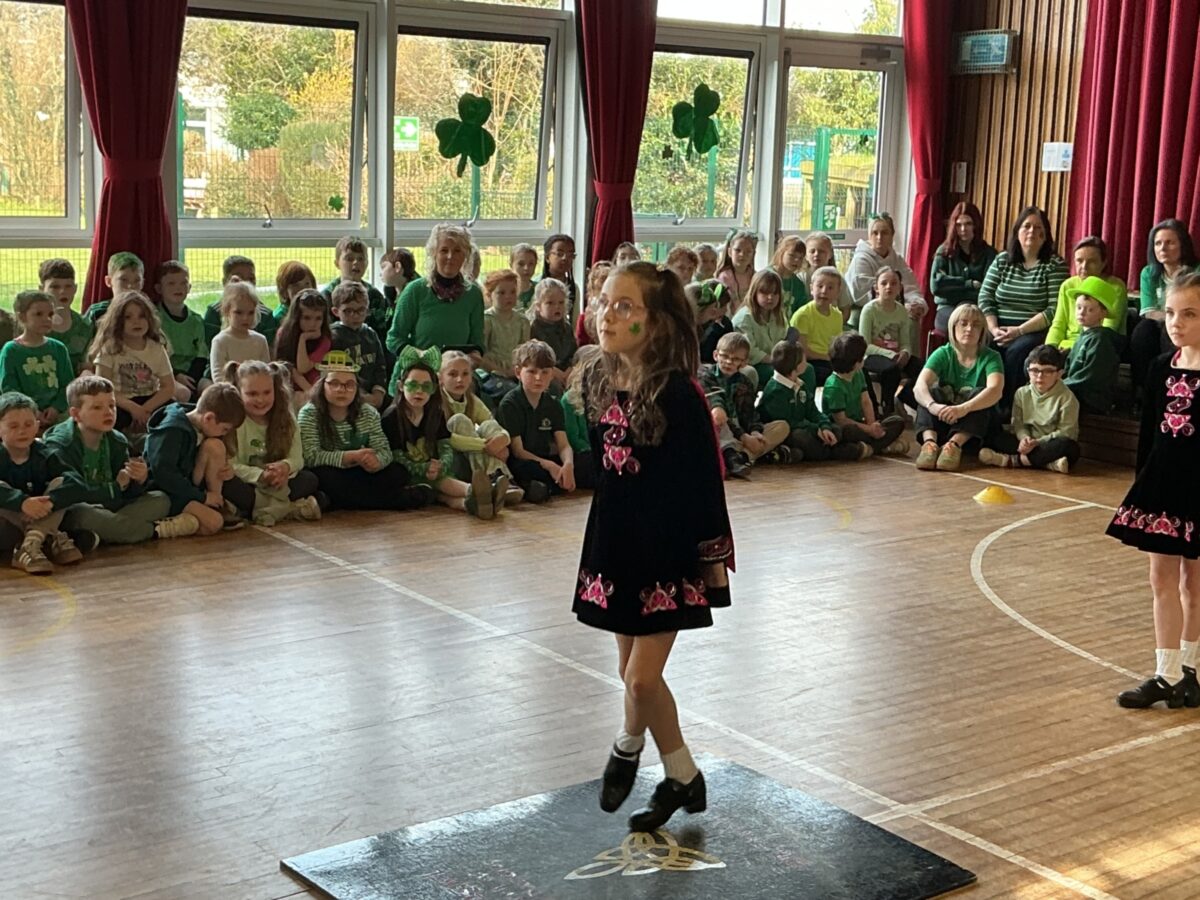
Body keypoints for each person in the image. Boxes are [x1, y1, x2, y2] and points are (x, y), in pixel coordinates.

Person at [574, 260, 733, 833]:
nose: (607, 315)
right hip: (616, 543)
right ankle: (683, 776)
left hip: (666, 550)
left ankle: (626, 745)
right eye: (604, 303)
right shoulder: (596, 380)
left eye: (625, 307)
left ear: (657, 323)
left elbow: (705, 481)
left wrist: (711, 559)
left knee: (641, 681)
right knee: (630, 674)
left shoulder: (680, 396)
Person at [1106, 272, 1200, 709]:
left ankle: (1192, 670)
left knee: (1194, 583)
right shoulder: (1162, 367)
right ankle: (1167, 673)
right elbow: (1149, 434)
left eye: (1189, 314)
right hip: (1162, 485)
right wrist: (1141, 484)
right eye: (1171, 313)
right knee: (1161, 578)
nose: (1176, 323)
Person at [297, 354, 435, 512]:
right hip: (331, 471)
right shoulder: (309, 413)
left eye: (349, 385)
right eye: (334, 384)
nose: (341, 390)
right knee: (321, 478)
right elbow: (311, 456)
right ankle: (399, 499)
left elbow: (385, 451)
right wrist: (350, 456)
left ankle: (339, 501)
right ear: (323, 385)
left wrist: (376, 462)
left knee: (398, 472)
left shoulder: (368, 412)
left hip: (359, 472)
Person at [381, 347, 503, 519]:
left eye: (426, 386)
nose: (419, 391)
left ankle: (475, 504)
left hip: (435, 472)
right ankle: (483, 492)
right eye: (413, 385)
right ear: (401, 386)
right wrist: (423, 468)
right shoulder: (391, 417)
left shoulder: (435, 413)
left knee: (445, 492)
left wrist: (441, 465)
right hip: (408, 475)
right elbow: (394, 456)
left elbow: (445, 445)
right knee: (441, 485)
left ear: (433, 388)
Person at [48, 375, 171, 544]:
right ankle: (154, 531)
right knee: (83, 514)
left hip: (109, 506)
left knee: (160, 499)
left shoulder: (117, 440)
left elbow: (124, 494)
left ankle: (100, 534)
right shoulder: (62, 444)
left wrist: (138, 480)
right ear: (76, 414)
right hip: (77, 507)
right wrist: (115, 487)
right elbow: (71, 493)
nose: (108, 412)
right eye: (97, 407)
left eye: (112, 405)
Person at [977, 206, 1069, 404]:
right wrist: (993, 329)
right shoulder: (1002, 260)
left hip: (1033, 330)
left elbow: (1054, 310)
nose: (1031, 231)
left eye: (1038, 227)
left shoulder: (1054, 265)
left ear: (1045, 234)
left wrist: (1019, 331)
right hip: (997, 327)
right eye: (1026, 226)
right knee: (978, 343)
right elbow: (985, 297)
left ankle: (1007, 405)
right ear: (1017, 231)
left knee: (1016, 352)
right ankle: (976, 401)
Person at [221, 359, 321, 526]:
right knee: (227, 484)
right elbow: (230, 465)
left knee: (309, 480)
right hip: (249, 482)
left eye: (267, 392)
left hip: (279, 482)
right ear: (238, 392)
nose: (261, 400)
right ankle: (288, 509)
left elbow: (297, 458)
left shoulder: (287, 419)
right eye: (252, 394)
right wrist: (260, 476)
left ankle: (254, 509)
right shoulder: (232, 422)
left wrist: (284, 467)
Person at [0, 391, 89, 574]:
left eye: (28, 424)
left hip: (40, 515)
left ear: (37, 425)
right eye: (13, 426)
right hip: (7, 527)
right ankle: (48, 536)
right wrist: (22, 503)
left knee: (61, 482)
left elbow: (77, 483)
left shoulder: (45, 453)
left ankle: (30, 544)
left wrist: (50, 502)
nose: (22, 431)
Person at [144, 382, 246, 539]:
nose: (224, 433)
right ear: (209, 418)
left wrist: (226, 470)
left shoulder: (201, 424)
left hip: (188, 485)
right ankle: (160, 527)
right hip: (167, 491)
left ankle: (215, 506)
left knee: (216, 446)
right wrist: (201, 497)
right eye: (224, 429)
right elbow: (164, 474)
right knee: (214, 523)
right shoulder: (172, 430)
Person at [913, 304, 1004, 472]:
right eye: (963, 323)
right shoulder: (943, 353)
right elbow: (919, 386)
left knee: (981, 394)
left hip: (974, 426)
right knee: (929, 394)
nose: (969, 329)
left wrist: (963, 409)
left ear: (982, 331)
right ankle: (929, 444)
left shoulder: (991, 357)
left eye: (975, 325)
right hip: (946, 417)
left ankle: (954, 445)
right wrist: (933, 406)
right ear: (953, 327)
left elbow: (995, 390)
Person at [89, 291, 184, 432]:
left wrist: (145, 410)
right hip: (120, 402)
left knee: (175, 415)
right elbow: (104, 388)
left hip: (151, 401)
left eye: (142, 316)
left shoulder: (156, 348)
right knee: (106, 417)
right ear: (117, 321)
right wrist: (133, 409)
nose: (136, 322)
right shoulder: (109, 349)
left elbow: (168, 387)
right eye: (128, 317)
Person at [698, 332, 790, 478]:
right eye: (724, 356)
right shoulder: (705, 375)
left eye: (735, 359)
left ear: (745, 362)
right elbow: (717, 405)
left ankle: (741, 457)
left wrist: (754, 432)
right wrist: (743, 437)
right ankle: (735, 456)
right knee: (719, 418)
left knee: (782, 427)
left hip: (740, 434)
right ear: (715, 355)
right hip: (719, 430)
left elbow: (749, 414)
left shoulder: (744, 383)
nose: (728, 362)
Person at [386, 223, 485, 357]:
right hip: (418, 367)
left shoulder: (473, 294)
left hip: (457, 368)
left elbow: (477, 342)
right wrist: (422, 356)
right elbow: (394, 339)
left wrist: (475, 355)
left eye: (457, 251)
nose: (450, 256)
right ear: (434, 253)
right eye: (444, 250)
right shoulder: (415, 291)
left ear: (465, 256)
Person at [758, 340, 866, 463]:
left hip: (805, 426)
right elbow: (789, 422)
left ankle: (831, 449)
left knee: (835, 430)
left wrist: (824, 426)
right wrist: (815, 429)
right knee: (800, 437)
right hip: (789, 431)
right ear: (796, 366)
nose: (807, 363)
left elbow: (813, 411)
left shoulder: (800, 384)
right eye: (804, 360)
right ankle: (838, 452)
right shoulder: (776, 391)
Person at [495, 339, 576, 504]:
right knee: (525, 468)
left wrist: (568, 465)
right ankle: (529, 487)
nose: (539, 378)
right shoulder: (510, 404)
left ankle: (545, 486)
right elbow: (518, 451)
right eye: (532, 372)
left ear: (552, 374)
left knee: (583, 462)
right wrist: (549, 465)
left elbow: (563, 444)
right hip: (523, 461)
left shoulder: (553, 404)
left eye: (545, 372)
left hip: (544, 457)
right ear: (518, 372)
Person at [979, 345, 1079, 473]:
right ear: (1028, 371)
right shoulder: (1022, 393)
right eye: (1034, 370)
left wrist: (1037, 442)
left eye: (1047, 371)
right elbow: (1018, 424)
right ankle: (1048, 464)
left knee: (1067, 446)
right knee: (995, 436)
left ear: (1059, 374)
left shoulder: (1067, 397)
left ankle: (1013, 461)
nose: (1039, 376)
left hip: (1048, 443)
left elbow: (1066, 432)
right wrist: (1024, 439)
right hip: (1027, 442)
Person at [439, 349, 521, 503]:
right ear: (440, 378)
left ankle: (501, 478)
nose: (460, 380)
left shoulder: (472, 400)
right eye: (453, 374)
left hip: (473, 458)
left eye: (465, 374)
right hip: (450, 460)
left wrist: (502, 440)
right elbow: (449, 440)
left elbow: (493, 423)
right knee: (459, 420)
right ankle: (489, 481)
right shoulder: (436, 402)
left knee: (488, 426)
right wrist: (486, 446)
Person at [1130, 219, 1198, 404]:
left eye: (1170, 243)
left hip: (1191, 324)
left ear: (1183, 245)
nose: (1163, 248)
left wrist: (1174, 317)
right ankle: (1142, 391)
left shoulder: (1196, 273)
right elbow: (1148, 311)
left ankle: (1175, 386)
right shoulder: (1149, 273)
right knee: (1143, 331)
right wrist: (1169, 317)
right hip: (1158, 322)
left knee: (1172, 330)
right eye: (1158, 243)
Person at [821, 333, 908, 456]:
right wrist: (869, 430)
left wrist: (872, 426)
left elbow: (866, 401)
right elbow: (841, 420)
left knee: (897, 421)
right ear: (855, 363)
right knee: (849, 432)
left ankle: (869, 447)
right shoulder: (834, 386)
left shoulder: (858, 373)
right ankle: (880, 445)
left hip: (860, 423)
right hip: (842, 427)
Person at [0, 290, 73, 430]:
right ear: (22, 317)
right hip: (23, 416)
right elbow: (9, 388)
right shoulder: (11, 351)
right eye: (39, 314)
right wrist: (33, 411)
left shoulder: (59, 348)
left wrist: (56, 408)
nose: (47, 319)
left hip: (57, 415)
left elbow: (67, 384)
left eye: (50, 314)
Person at [1044, 237, 1128, 352]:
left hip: (1099, 347)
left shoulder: (1115, 287)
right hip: (1065, 346)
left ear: (1103, 263)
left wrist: (1072, 349)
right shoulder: (1068, 285)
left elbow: (1107, 330)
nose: (1084, 266)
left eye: (1092, 261)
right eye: (1079, 261)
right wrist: (1050, 349)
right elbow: (1058, 324)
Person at [859, 267, 924, 416]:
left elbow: (905, 342)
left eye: (894, 283)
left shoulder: (902, 311)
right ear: (876, 288)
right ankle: (887, 408)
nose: (889, 287)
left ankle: (905, 397)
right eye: (884, 283)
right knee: (891, 369)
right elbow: (865, 345)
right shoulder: (869, 310)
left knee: (922, 367)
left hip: (896, 354)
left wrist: (905, 353)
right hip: (872, 356)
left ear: (900, 288)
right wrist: (890, 354)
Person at [845, 213, 926, 329]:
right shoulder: (861, 259)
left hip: (894, 307)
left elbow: (910, 286)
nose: (879, 237)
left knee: (912, 319)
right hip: (866, 310)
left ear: (892, 235)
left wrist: (916, 304)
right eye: (875, 233)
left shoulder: (897, 259)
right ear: (869, 236)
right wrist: (899, 306)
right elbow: (861, 295)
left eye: (884, 233)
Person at [929, 201, 998, 334]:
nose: (963, 229)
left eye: (968, 224)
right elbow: (936, 286)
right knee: (959, 324)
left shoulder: (989, 254)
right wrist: (969, 284)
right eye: (958, 224)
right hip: (947, 308)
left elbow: (988, 290)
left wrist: (951, 287)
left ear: (976, 225)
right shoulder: (943, 252)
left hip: (978, 309)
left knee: (981, 329)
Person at [1062, 277, 1122, 415]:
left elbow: (1090, 377)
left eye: (1090, 310)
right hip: (1075, 391)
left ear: (1103, 313)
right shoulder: (1083, 336)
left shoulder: (1100, 340)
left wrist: (1059, 387)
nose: (1081, 313)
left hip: (1091, 399)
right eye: (1079, 307)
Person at [154, 260, 209, 400]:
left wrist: (191, 378)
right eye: (171, 283)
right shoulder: (153, 319)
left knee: (211, 391)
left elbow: (201, 355)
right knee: (182, 393)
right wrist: (177, 375)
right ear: (159, 288)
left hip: (193, 375)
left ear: (189, 287)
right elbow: (153, 356)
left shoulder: (196, 321)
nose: (178, 288)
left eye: (183, 283)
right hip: (165, 374)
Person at [329, 281, 388, 409]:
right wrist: (359, 396)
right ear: (336, 311)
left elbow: (380, 367)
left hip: (372, 396)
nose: (355, 316)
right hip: (345, 397)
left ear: (367, 310)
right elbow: (334, 373)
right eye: (348, 311)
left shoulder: (371, 334)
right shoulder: (333, 337)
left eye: (360, 310)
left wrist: (378, 393)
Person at [202, 255, 277, 355]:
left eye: (251, 279)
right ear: (225, 282)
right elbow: (211, 349)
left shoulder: (265, 314)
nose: (245, 283)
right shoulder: (214, 312)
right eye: (238, 279)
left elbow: (269, 351)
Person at [478, 269, 530, 407]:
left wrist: (518, 370)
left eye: (512, 292)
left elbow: (525, 352)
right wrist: (501, 371)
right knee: (512, 393)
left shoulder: (522, 321)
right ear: (489, 295)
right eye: (501, 293)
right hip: (491, 374)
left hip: (516, 372)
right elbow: (481, 355)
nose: (508, 297)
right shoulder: (487, 320)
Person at [731, 268, 790, 387]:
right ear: (754, 293)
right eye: (765, 293)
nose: (770, 297)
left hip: (775, 361)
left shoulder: (779, 315)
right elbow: (750, 351)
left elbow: (783, 341)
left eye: (775, 293)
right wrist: (774, 360)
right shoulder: (744, 318)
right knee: (781, 374)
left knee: (807, 369)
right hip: (752, 365)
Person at [322, 236, 390, 336]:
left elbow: (382, 333)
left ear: (367, 263)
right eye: (349, 259)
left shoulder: (374, 295)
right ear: (337, 263)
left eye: (361, 259)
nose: (356, 263)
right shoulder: (327, 296)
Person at [789, 266, 846, 386]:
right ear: (811, 289)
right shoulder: (803, 315)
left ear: (838, 292)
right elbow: (803, 351)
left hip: (830, 359)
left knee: (858, 371)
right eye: (820, 286)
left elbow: (837, 345)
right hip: (811, 361)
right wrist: (827, 357)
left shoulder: (838, 315)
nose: (824, 291)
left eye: (830, 288)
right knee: (836, 376)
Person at [274, 288, 333, 400]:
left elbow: (303, 367)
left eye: (318, 319)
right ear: (297, 317)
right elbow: (284, 365)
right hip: (289, 387)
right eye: (306, 318)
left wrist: (303, 339)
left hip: (313, 387)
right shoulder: (284, 334)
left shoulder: (324, 340)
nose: (312, 324)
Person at [40, 258, 94, 376]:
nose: (62, 291)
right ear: (42, 289)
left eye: (68, 286)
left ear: (75, 288)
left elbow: (86, 364)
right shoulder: (35, 326)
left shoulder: (85, 326)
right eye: (55, 287)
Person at [210, 281, 271, 379]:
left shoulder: (260, 340)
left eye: (250, 313)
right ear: (227, 311)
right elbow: (218, 376)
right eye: (239, 312)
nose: (245, 318)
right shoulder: (220, 341)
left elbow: (266, 373)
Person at [529, 277, 576, 391]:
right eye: (550, 303)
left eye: (561, 302)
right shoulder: (533, 328)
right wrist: (553, 371)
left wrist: (570, 370)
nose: (557, 307)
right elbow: (534, 358)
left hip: (566, 372)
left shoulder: (566, 327)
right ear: (538, 306)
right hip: (544, 371)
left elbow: (573, 353)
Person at [802, 231, 854, 321]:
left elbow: (845, 309)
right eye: (812, 251)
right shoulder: (801, 278)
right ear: (806, 255)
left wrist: (834, 324)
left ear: (830, 254)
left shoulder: (838, 278)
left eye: (821, 251)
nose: (816, 254)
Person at [84, 251, 144, 325]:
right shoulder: (97, 312)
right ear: (109, 281)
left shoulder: (147, 312)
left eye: (137, 281)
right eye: (124, 280)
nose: (131, 286)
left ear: (142, 283)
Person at [715, 230, 757, 311]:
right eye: (738, 250)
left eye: (748, 251)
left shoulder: (755, 277)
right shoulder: (724, 277)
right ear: (730, 252)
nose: (742, 254)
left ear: (753, 254)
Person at [543, 233, 580, 323]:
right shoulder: (537, 285)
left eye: (570, 255)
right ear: (547, 257)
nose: (565, 258)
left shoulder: (573, 288)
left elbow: (575, 320)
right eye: (559, 254)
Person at [771, 234, 811, 316]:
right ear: (781, 253)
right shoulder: (767, 277)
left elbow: (801, 312)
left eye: (800, 258)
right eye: (792, 255)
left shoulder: (798, 284)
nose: (796, 260)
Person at [273, 260, 318, 325]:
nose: (303, 289)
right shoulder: (280, 317)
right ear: (284, 291)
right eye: (296, 285)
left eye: (307, 284)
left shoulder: (317, 310)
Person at [379, 247, 417, 312]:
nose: (380, 273)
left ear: (397, 267)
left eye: (383, 267)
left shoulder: (415, 295)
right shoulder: (391, 293)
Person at [510, 243, 539, 312]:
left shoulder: (541, 289)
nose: (526, 268)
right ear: (511, 264)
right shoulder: (504, 290)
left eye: (531, 264)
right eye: (521, 264)